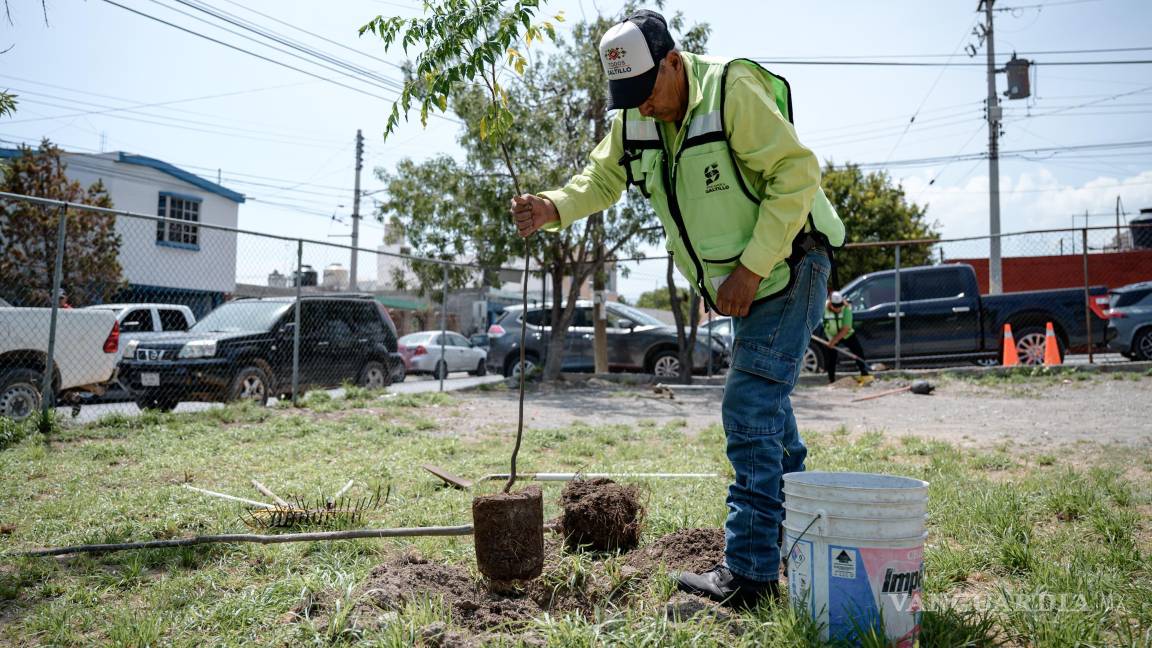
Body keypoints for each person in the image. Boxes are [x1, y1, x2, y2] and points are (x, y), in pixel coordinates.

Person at [510, 10, 845, 608]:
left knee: (749, 407)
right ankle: (806, 544)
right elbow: (602, 177)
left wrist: (749, 269)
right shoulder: (637, 114)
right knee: (773, 424)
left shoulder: (729, 90)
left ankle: (750, 575)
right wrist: (552, 206)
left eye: (648, 92)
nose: (642, 108)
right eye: (628, 98)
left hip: (792, 264)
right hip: (751, 285)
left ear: (673, 61)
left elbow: (796, 174)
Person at [822, 291, 869, 383]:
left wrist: (834, 341)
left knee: (858, 351)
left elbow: (846, 328)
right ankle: (831, 380)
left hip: (846, 335)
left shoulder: (847, 308)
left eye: (839, 305)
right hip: (831, 335)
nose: (838, 308)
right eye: (835, 306)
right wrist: (831, 340)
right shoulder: (824, 308)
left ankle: (865, 374)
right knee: (831, 357)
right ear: (830, 303)